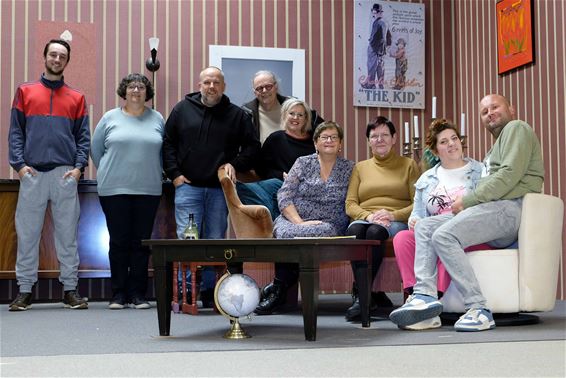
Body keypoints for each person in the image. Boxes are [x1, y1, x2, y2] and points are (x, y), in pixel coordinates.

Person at [389, 94, 544, 332]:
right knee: (425, 227)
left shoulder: (517, 128)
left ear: (511, 109)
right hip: (487, 211)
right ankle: (425, 298)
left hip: (507, 210)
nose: (490, 113)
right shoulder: (495, 148)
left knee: (443, 235)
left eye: (495, 107)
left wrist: (468, 200)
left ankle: (479, 308)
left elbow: (508, 176)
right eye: (484, 111)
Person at [162, 66, 260, 301]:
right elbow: (167, 144)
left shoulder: (237, 115)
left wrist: (234, 163)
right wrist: (174, 174)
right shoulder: (182, 109)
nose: (211, 87)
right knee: (188, 242)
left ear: (223, 86)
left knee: (215, 240)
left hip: (219, 191)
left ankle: (210, 292)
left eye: (216, 82)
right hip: (187, 187)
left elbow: (252, 147)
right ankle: (186, 293)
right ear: (199, 86)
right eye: (207, 82)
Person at [8, 39, 90, 311]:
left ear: (67, 61)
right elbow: (16, 132)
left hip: (65, 174)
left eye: (62, 56)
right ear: (44, 57)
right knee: (27, 234)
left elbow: (83, 138)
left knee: (67, 236)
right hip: (32, 174)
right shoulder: (25, 92)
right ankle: (24, 291)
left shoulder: (77, 98)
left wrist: (78, 168)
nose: (57, 59)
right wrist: (19, 165)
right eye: (53, 54)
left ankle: (69, 290)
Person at [392, 119, 485, 329]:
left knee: (442, 236)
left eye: (454, 138)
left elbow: (485, 206)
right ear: (435, 151)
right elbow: (417, 213)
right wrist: (414, 220)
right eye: (444, 142)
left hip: (467, 230)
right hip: (433, 228)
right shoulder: (427, 178)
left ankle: (431, 302)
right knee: (402, 238)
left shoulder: (480, 170)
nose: (451, 144)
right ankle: (415, 296)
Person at [255, 122, 355, 315]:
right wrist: (299, 222)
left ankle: (278, 288)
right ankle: (279, 288)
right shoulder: (302, 163)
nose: (329, 140)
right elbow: (284, 195)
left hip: (329, 224)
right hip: (294, 220)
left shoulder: (350, 168)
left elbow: (356, 198)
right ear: (315, 143)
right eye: (324, 137)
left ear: (340, 143)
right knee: (284, 233)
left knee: (318, 232)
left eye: (334, 137)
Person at [91, 73, 164, 310]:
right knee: (119, 241)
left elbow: (164, 151)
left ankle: (138, 294)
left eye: (141, 87)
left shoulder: (157, 118)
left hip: (148, 189)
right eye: (131, 87)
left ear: (147, 92)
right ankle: (119, 293)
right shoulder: (109, 117)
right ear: (124, 91)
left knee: (140, 243)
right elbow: (96, 149)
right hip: (114, 189)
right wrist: (109, 171)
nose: (136, 90)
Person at [344, 116, 420, 321]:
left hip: (394, 219)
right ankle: (364, 295)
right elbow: (350, 204)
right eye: (374, 136)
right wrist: (368, 215)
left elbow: (418, 203)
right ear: (368, 141)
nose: (380, 140)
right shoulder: (360, 167)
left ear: (394, 138)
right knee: (356, 231)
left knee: (375, 232)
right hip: (365, 217)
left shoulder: (409, 164)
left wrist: (392, 214)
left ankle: (361, 295)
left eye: (385, 135)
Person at [236, 98, 317, 219]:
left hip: (308, 190)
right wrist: (280, 175)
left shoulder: (315, 141)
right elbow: (260, 168)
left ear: (306, 119)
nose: (295, 118)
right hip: (281, 186)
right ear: (285, 115)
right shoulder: (275, 139)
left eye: (300, 115)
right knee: (248, 189)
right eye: (292, 113)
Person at [242, 70, 323, 144]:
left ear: (276, 86)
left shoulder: (293, 105)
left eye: (268, 86)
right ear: (254, 92)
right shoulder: (246, 113)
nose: (264, 91)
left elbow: (324, 130)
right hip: (261, 159)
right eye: (259, 88)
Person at [361, 3, 391, 89]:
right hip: (381, 48)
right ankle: (379, 85)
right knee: (379, 66)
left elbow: (376, 37)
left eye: (375, 12)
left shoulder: (378, 22)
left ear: (378, 12)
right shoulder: (384, 22)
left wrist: (372, 44)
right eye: (373, 12)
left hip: (374, 48)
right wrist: (385, 47)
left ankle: (371, 84)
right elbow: (388, 37)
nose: (374, 13)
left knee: (372, 66)